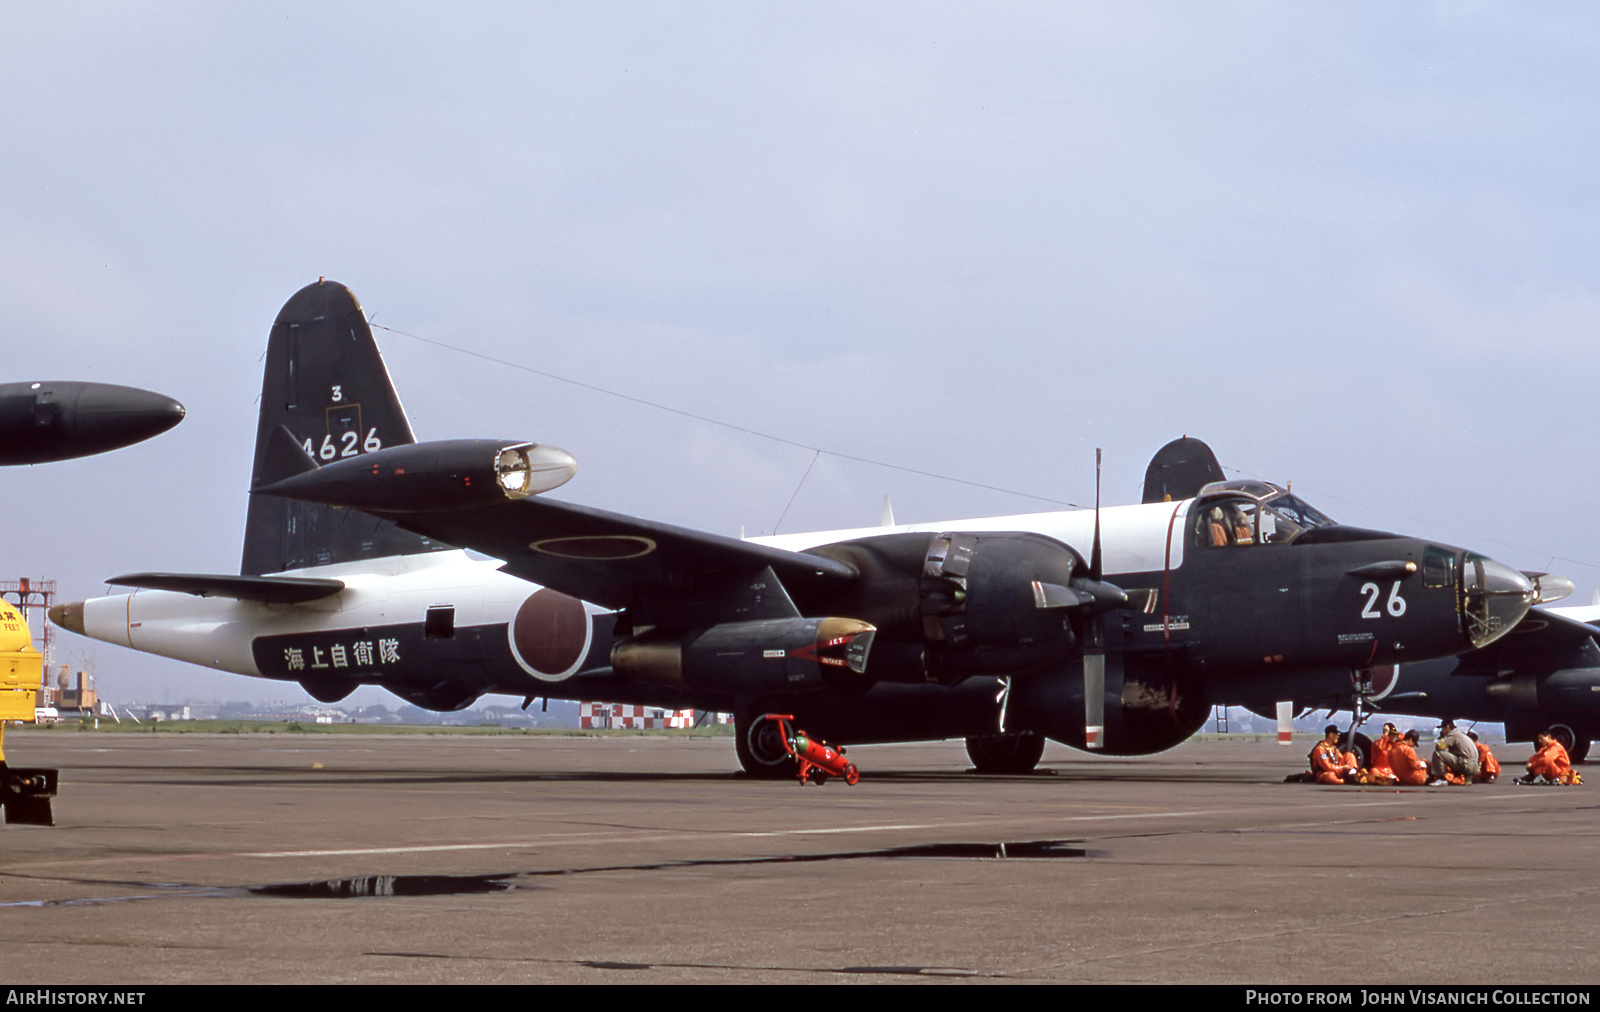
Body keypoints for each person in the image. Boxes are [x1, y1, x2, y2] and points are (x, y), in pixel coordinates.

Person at [1428, 719, 1480, 786]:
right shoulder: (1461, 734)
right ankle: (1468, 777)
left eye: (1442, 729)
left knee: (1438, 753)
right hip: (1475, 767)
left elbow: (1439, 747)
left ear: (1447, 727)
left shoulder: (1452, 734)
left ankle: (1441, 779)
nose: (1442, 731)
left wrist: (1443, 738)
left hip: (1466, 765)